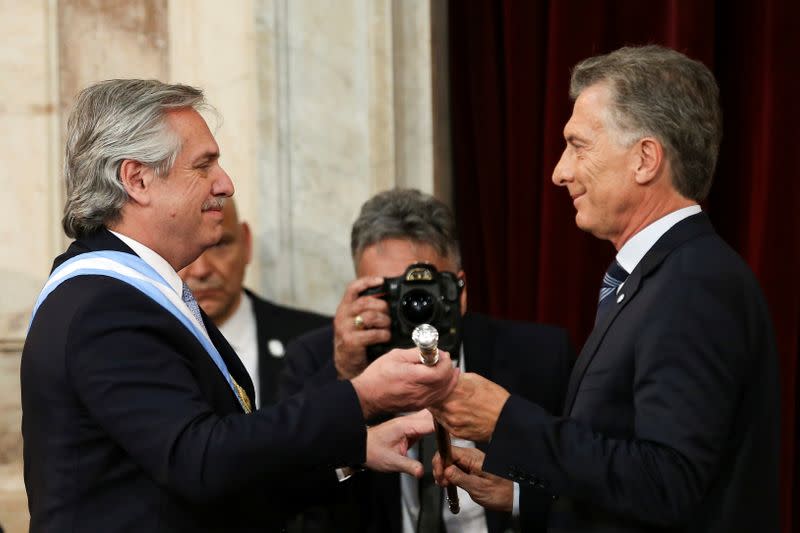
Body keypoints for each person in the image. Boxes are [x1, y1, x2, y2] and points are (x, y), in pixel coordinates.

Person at [20, 79, 459, 533]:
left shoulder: (129, 295)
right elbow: (199, 460)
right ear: (137, 179)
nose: (225, 184)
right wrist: (362, 397)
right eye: (203, 165)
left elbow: (219, 474)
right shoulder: (106, 304)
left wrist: (347, 455)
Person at [431, 45, 780, 532]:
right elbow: (629, 478)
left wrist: (507, 422)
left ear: (644, 159)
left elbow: (668, 482)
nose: (559, 171)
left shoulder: (694, 283)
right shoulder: (655, 279)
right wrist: (519, 497)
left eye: (578, 145)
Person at [280, 188, 575, 533]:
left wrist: (519, 495)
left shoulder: (540, 356)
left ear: (459, 291)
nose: (410, 307)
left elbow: (585, 488)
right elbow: (282, 487)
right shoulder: (318, 359)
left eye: (421, 291)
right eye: (388, 293)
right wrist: (347, 382)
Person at [179, 199, 328, 408]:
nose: (202, 270)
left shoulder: (321, 342)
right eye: (185, 248)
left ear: (246, 242)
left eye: (219, 244)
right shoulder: (139, 351)